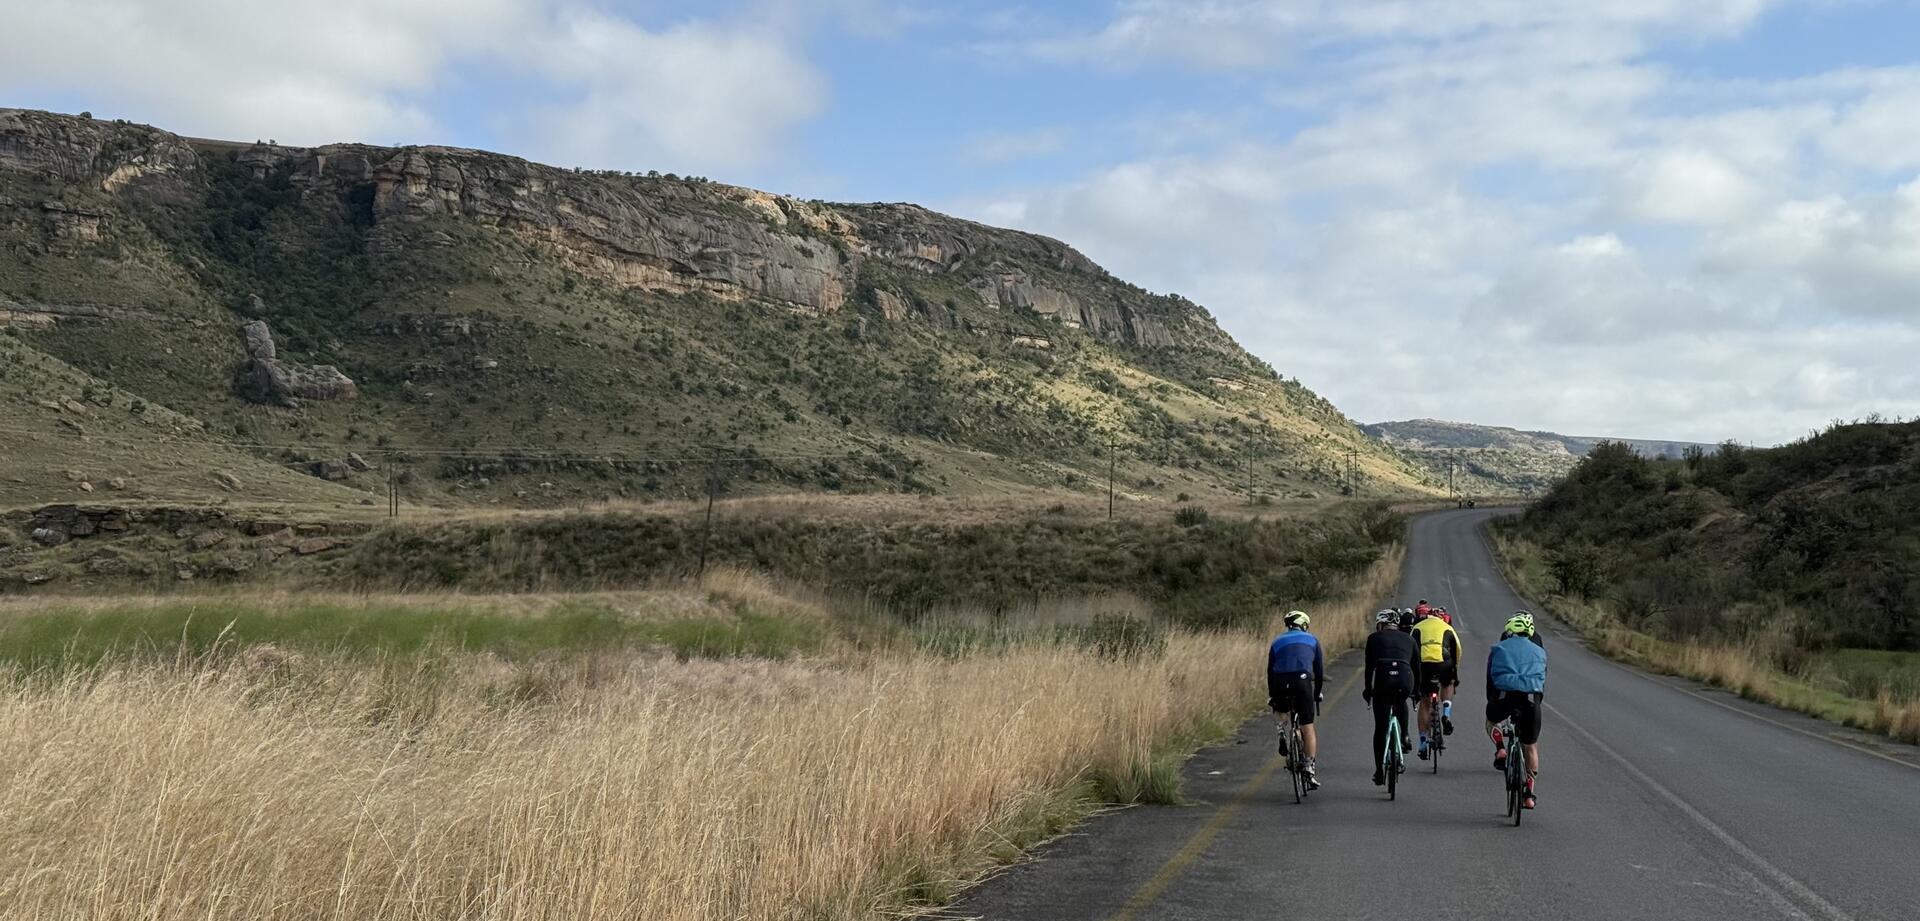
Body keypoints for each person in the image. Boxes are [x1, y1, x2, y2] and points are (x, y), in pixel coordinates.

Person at [1487, 612, 1548, 809]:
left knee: (1491, 721)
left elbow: (1491, 679)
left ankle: (1500, 748)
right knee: (1531, 745)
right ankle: (1529, 795)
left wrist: (1492, 702)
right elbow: (1542, 680)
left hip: (1505, 695)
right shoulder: (1539, 651)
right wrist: (1537, 702)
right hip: (1531, 698)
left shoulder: (1498, 648)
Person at [1268, 609, 1324, 789]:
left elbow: (1270, 671)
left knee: (1280, 708)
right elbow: (1319, 672)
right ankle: (1309, 766)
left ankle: (1281, 732)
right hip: (1302, 681)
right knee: (1307, 727)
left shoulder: (1276, 641)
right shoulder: (1312, 640)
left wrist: (1272, 695)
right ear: (1304, 624)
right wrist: (1317, 693)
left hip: (1280, 681)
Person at [1362, 609, 1417, 786]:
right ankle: (1405, 734)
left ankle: (1379, 772)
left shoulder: (1373, 638)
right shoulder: (1409, 639)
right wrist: (1416, 692)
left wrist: (1368, 690)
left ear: (1381, 624)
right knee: (1400, 701)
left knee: (1380, 728)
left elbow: (1369, 668)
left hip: (1383, 680)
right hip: (1404, 679)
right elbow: (1417, 668)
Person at [1411, 607, 1463, 758]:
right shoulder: (1447, 627)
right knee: (1447, 683)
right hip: (1443, 663)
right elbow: (1457, 650)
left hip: (1424, 665)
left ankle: (1422, 743)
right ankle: (1446, 714)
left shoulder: (1417, 627)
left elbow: (1411, 649)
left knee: (1425, 702)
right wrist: (1454, 673)